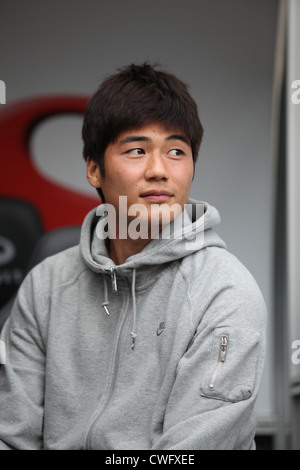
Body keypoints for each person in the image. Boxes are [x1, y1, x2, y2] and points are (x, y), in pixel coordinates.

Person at [0, 63, 267, 450]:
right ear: (94, 169)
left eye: (177, 151)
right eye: (137, 150)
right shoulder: (46, 286)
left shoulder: (224, 292)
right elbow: (10, 435)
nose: (159, 170)